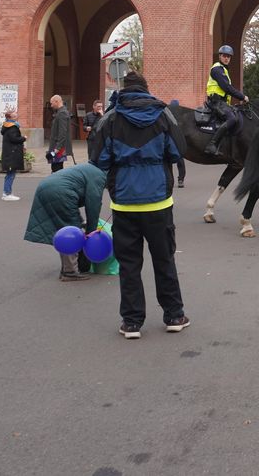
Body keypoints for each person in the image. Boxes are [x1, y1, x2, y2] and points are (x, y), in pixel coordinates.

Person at [92, 71, 189, 338]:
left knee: (129, 264)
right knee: (164, 259)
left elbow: (97, 159)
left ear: (125, 90)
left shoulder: (111, 118)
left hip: (124, 203)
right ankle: (174, 315)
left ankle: (132, 322)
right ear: (146, 89)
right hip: (158, 202)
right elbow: (177, 150)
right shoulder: (163, 114)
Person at [23, 162, 106, 281]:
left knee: (66, 229)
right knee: (72, 232)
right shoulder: (100, 176)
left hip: (46, 187)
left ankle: (67, 268)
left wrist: (83, 224)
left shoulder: (92, 169)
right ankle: (70, 271)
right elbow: (93, 205)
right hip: (61, 192)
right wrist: (91, 232)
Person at [203, 45, 249, 157]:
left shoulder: (224, 70)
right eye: (224, 56)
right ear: (220, 56)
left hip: (222, 103)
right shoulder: (217, 69)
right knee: (232, 118)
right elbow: (226, 88)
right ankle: (212, 144)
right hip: (215, 102)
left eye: (229, 56)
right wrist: (242, 96)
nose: (226, 58)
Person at [0, 108, 27, 201]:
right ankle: (7, 193)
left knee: (10, 174)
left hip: (9, 152)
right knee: (10, 174)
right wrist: (23, 138)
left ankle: (7, 192)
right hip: (12, 153)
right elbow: (14, 139)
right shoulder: (12, 127)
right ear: (10, 117)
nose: (16, 116)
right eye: (14, 115)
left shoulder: (8, 126)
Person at [47, 94, 72, 173]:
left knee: (56, 169)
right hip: (58, 147)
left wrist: (57, 148)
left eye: (52, 103)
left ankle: (57, 184)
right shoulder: (60, 112)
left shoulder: (62, 113)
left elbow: (62, 132)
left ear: (56, 101)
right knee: (56, 167)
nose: (51, 105)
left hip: (58, 148)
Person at [170, 99, 186, 188]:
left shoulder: (167, 115)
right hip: (178, 142)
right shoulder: (181, 116)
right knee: (180, 161)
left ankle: (171, 180)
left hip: (170, 142)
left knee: (168, 162)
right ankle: (180, 180)